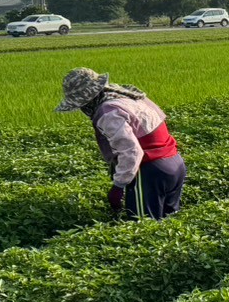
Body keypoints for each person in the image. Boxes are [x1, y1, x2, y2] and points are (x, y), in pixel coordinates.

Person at [54, 67, 187, 220]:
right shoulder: (129, 97)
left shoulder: (108, 112)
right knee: (168, 223)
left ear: (87, 100)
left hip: (150, 172)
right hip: (175, 164)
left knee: (143, 227)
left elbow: (132, 152)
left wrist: (118, 186)